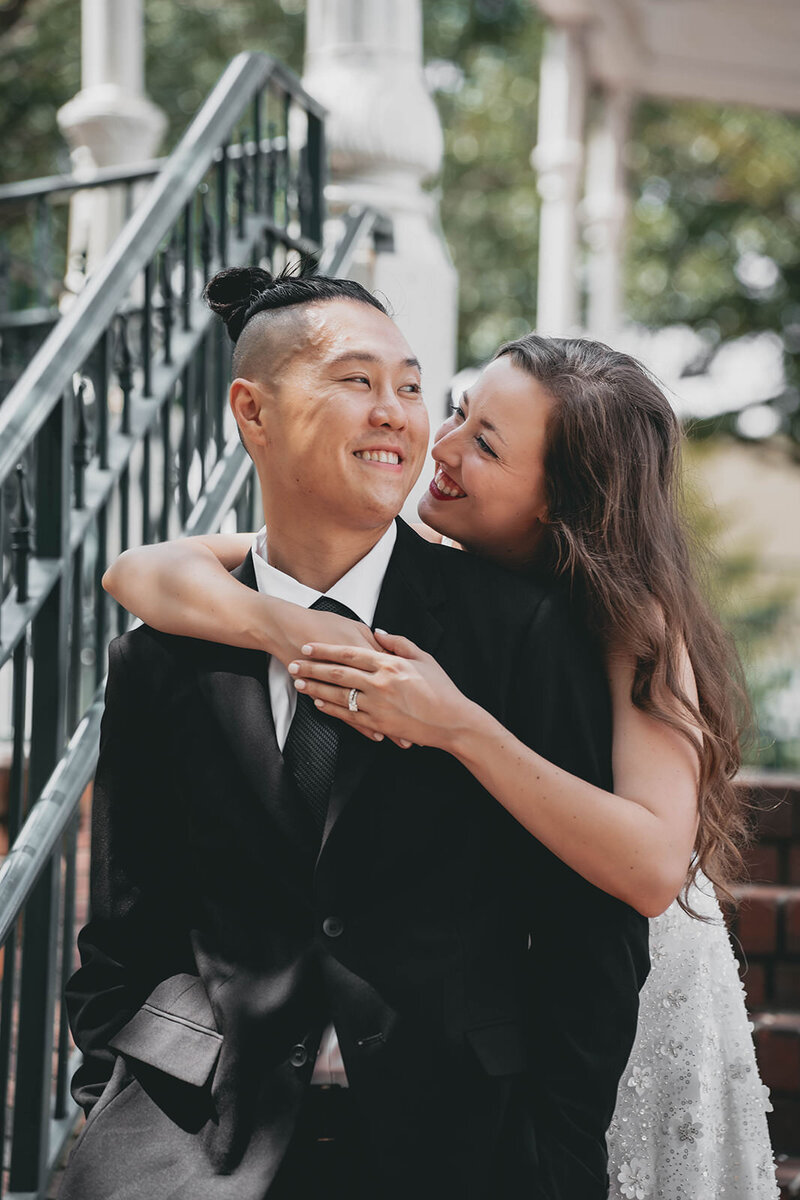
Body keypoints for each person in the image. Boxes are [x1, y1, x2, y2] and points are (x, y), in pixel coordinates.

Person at [104, 325, 779, 1198]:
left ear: (560, 500)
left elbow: (649, 871)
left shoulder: (631, 623)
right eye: (459, 409)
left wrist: (458, 725)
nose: (443, 446)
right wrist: (301, 628)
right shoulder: (433, 566)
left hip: (628, 994)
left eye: (486, 444)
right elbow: (138, 571)